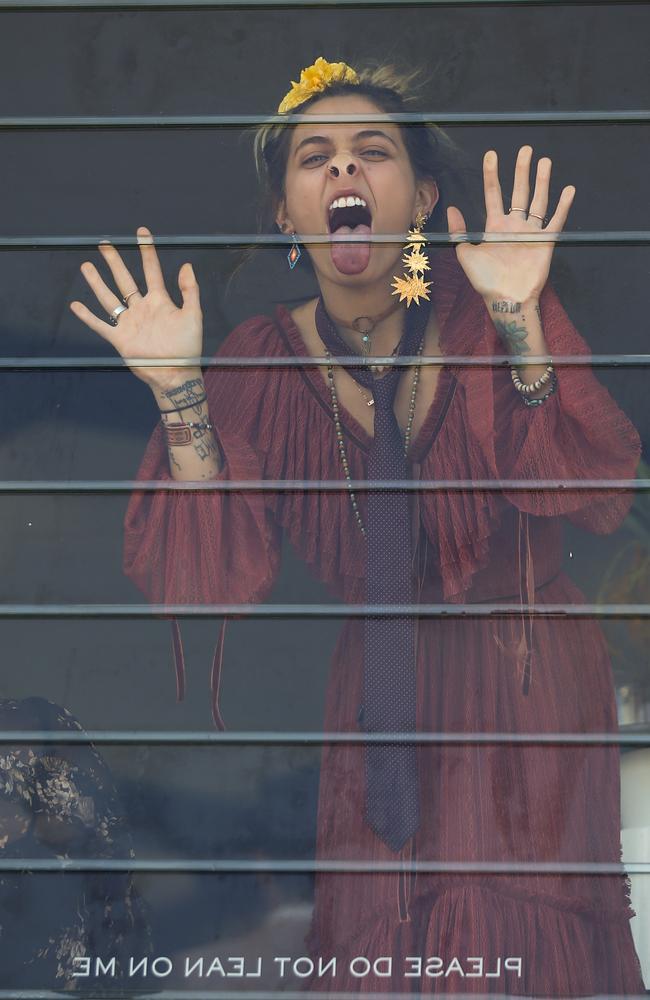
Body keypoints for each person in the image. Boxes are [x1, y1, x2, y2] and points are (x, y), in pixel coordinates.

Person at [69, 57, 646, 995]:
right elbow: (208, 575)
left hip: (525, 684)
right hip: (374, 705)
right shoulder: (260, 357)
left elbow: (592, 492)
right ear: (284, 214)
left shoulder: (489, 309)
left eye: (371, 152)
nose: (344, 171)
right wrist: (182, 390)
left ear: (418, 197)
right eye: (316, 158)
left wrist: (520, 320)